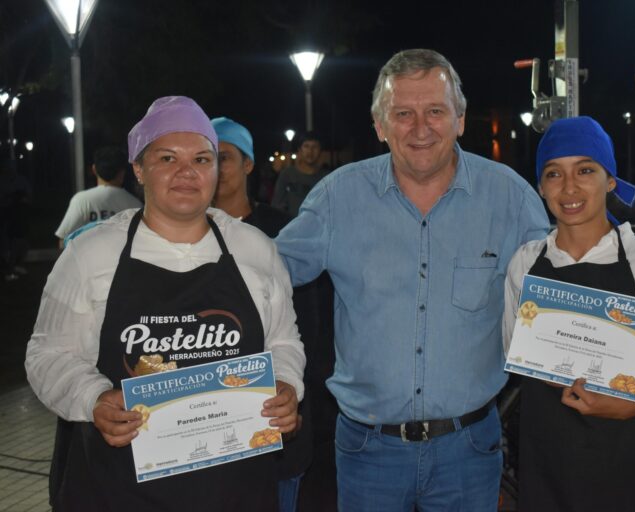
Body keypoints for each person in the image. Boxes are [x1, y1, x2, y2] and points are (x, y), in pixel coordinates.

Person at [274, 48, 551, 511]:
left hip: (470, 447)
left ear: (460, 119)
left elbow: (563, 284)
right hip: (368, 451)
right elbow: (264, 275)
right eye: (403, 114)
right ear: (380, 126)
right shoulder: (337, 198)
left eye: (435, 112)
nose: (420, 129)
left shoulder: (511, 198)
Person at [26, 96, 304, 511]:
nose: (186, 173)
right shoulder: (91, 255)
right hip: (121, 487)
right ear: (138, 168)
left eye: (202, 159)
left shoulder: (254, 250)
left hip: (235, 488)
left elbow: (283, 340)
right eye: (168, 158)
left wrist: (286, 385)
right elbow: (46, 352)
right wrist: (92, 398)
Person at [503, 116, 635, 512]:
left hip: (630, 460)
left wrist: (627, 406)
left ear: (611, 180)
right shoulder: (524, 264)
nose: (569, 187)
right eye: (554, 174)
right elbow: (517, 353)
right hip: (549, 462)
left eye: (586, 170)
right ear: (540, 186)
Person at [212, 116, 335, 512]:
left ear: (249, 164)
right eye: (202, 159)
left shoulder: (279, 234)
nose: (212, 169)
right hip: (205, 422)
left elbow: (306, 331)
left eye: (223, 157)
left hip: (270, 419)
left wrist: (296, 400)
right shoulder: (180, 236)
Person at [54, 146, 142, 248]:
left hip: (87, 261)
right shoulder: (135, 204)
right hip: (124, 262)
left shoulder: (82, 200)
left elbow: (64, 239)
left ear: (94, 169)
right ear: (122, 172)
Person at [271, 132, 326, 217]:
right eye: (306, 146)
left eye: (314, 147)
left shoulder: (326, 177)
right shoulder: (287, 175)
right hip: (291, 226)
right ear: (299, 150)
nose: (310, 151)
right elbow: (277, 204)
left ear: (320, 150)